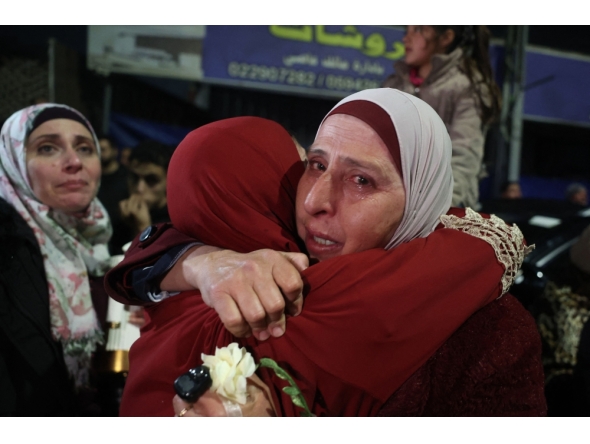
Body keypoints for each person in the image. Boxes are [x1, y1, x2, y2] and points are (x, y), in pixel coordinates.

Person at [106, 89, 544, 416]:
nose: (315, 199)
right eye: (314, 166)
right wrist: (193, 261)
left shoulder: (487, 329)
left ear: (420, 198)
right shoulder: (240, 290)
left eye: (361, 181)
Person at [0, 103, 112, 415]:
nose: (74, 162)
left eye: (85, 148)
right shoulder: (7, 247)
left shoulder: (96, 237)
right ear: (12, 162)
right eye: (47, 148)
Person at [382, 25, 502, 209]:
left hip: (442, 210)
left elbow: (464, 160)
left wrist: (438, 211)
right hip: (395, 205)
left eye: (419, 30)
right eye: (408, 29)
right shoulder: (393, 85)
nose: (406, 38)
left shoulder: (466, 87)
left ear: (446, 38)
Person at [118, 140, 173, 245]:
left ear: (168, 181)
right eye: (134, 178)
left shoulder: (175, 224)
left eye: (151, 180)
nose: (140, 188)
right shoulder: (122, 212)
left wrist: (143, 229)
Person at [96, 134, 130, 254]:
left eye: (104, 149)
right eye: (97, 149)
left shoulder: (127, 177)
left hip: (120, 242)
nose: (100, 153)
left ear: (115, 151)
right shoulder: (93, 178)